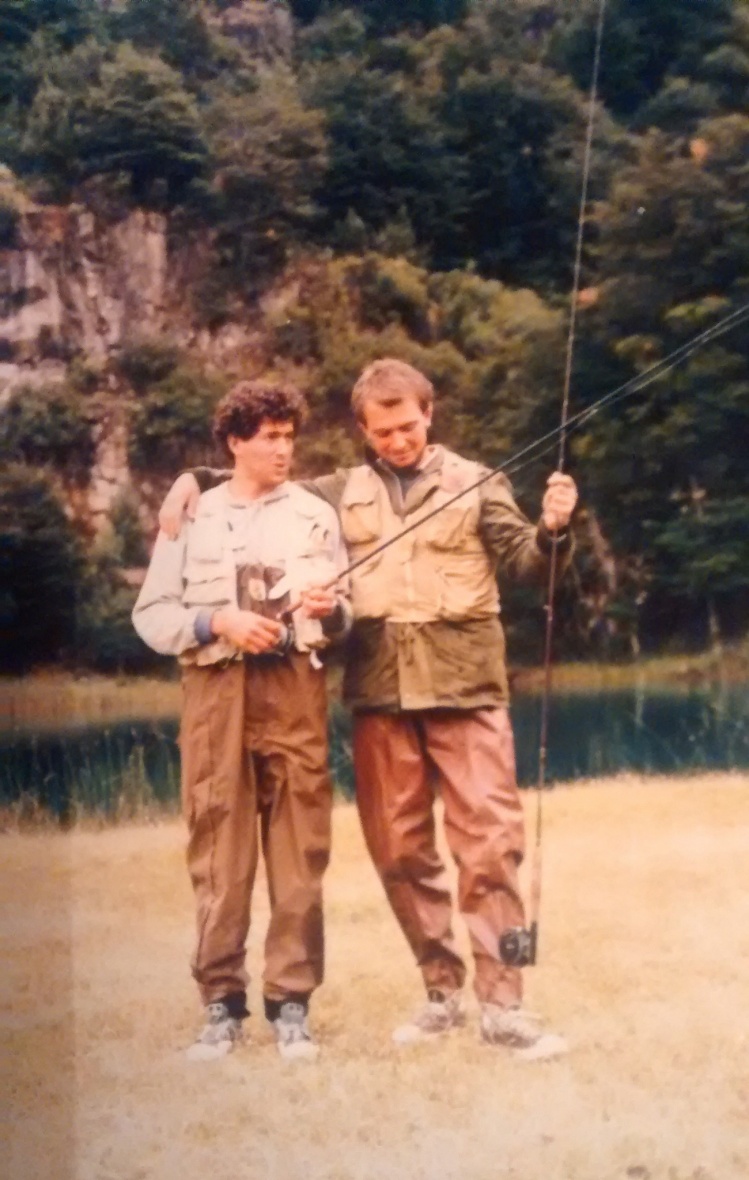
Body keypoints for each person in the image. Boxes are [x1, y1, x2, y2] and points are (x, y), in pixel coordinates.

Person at [160, 358, 578, 1059]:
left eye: (408, 427)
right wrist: (190, 480)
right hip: (379, 696)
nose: (398, 441)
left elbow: (530, 564)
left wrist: (553, 530)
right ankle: (440, 991)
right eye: (382, 431)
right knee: (399, 853)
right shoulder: (331, 494)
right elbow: (257, 483)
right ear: (362, 429)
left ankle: (504, 1006)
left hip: (467, 690)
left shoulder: (478, 481)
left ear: (429, 415)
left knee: (490, 849)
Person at [133, 380, 350, 1062]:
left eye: (289, 437)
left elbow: (348, 614)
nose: (282, 449)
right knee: (219, 856)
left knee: (299, 855)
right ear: (234, 442)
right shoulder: (191, 513)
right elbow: (151, 615)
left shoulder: (316, 514)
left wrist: (328, 609)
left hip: (295, 692)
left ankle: (291, 1005)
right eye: (268, 438)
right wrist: (215, 620)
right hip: (214, 694)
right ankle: (220, 1007)